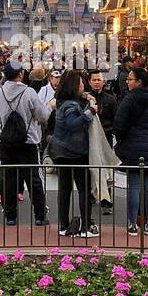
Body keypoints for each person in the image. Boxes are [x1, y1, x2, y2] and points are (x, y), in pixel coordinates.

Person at [0, 59, 50, 228]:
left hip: (6, 143)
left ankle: (10, 217)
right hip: (28, 142)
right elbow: (42, 116)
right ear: (21, 74)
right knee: (33, 179)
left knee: (9, 179)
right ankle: (39, 216)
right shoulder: (29, 92)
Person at [48, 69, 97, 238]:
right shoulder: (70, 105)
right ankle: (85, 226)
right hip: (74, 152)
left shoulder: (62, 101)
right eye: (82, 83)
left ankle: (64, 224)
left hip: (60, 151)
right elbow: (73, 124)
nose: (84, 85)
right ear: (75, 86)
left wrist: (85, 97)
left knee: (65, 188)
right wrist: (90, 111)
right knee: (83, 188)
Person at [113, 65, 148, 234]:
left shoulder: (130, 99)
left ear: (139, 82)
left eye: (130, 79)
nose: (127, 82)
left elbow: (119, 123)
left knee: (133, 185)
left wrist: (121, 139)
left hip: (133, 144)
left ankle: (132, 223)